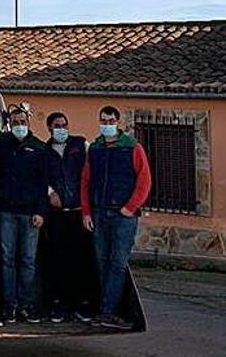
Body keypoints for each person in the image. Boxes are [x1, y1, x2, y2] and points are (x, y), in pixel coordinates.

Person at [80, 105, 152, 331]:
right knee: (102, 262)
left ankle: (110, 311)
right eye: (103, 120)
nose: (107, 125)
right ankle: (105, 309)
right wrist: (86, 212)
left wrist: (130, 208)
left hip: (122, 216)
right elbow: (86, 181)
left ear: (118, 123)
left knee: (117, 263)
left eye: (110, 121)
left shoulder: (132, 147)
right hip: (100, 213)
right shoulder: (95, 148)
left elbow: (144, 181)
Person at [0, 105, 49, 324]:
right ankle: (9, 306)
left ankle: (26, 305)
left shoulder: (38, 148)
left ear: (29, 123)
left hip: (30, 214)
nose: (19, 125)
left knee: (28, 261)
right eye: (15, 122)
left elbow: (43, 183)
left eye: (22, 122)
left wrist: (40, 211)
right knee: (7, 260)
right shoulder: (2, 144)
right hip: (6, 211)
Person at [40, 110, 96, 323]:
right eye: (57, 125)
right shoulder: (44, 151)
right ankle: (58, 305)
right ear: (49, 128)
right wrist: (49, 193)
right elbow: (39, 176)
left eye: (64, 124)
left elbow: (92, 172)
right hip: (57, 216)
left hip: (80, 213)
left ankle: (82, 304)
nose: (61, 128)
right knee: (58, 260)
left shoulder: (81, 145)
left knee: (82, 260)